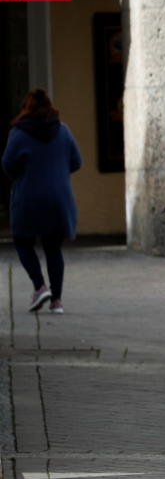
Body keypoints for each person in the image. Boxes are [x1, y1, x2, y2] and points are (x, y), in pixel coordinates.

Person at [3, 88, 81, 315]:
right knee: (53, 247)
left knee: (22, 242)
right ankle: (56, 301)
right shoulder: (63, 131)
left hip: (29, 198)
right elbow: (76, 161)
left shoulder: (18, 133)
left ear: (26, 109)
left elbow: (7, 165)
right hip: (58, 199)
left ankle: (39, 286)